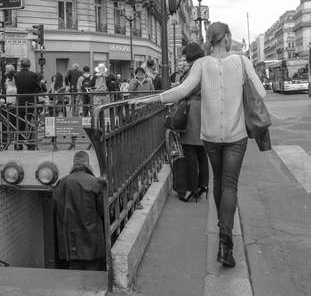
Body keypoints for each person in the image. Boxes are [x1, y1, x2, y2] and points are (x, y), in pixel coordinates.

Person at [131, 22, 266, 268]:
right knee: (230, 185)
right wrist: (246, 75)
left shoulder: (201, 65)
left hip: (211, 136)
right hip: (237, 136)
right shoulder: (243, 61)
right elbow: (261, 93)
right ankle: (226, 243)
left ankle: (221, 227)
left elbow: (181, 90)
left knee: (218, 181)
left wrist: (150, 99)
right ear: (225, 38)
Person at [52, 151, 105, 271]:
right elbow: (103, 211)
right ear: (87, 164)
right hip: (92, 239)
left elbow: (54, 208)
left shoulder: (62, 183)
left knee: (74, 273)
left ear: (74, 164)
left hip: (71, 240)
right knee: (92, 274)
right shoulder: (95, 183)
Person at [175, 42, 209, 202]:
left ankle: (191, 189)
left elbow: (185, 90)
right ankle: (203, 185)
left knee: (189, 152)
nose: (184, 59)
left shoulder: (194, 70)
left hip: (192, 112)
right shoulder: (206, 68)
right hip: (205, 111)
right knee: (202, 152)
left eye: (185, 55)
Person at [14, 58, 43, 150]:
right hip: (31, 101)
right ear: (29, 65)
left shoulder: (16, 75)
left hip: (20, 101)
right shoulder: (33, 75)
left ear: (21, 65)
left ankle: (18, 143)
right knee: (31, 122)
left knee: (20, 122)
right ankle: (31, 143)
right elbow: (39, 88)